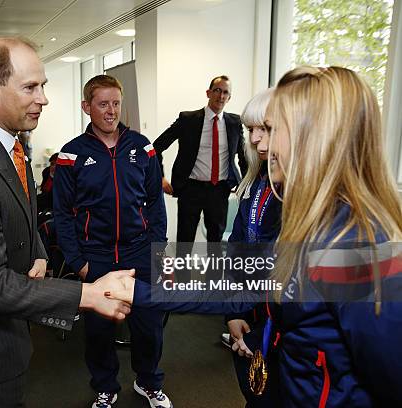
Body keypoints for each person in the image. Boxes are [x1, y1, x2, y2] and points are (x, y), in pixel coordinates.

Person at [108, 66, 402, 407]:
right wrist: (140, 284)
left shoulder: (354, 245)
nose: (261, 142)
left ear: (318, 138)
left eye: (274, 128)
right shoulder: (310, 219)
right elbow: (246, 278)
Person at [0, 37, 133, 407]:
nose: (43, 98)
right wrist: (90, 295)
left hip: (9, 327)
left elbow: (24, 210)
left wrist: (38, 253)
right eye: (30, 87)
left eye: (44, 86)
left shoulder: (10, 146)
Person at [54, 75, 170, 408]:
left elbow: (155, 202)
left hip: (139, 253)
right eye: (102, 104)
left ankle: (149, 382)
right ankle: (106, 387)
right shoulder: (71, 155)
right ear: (86, 107)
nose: (111, 111)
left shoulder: (142, 147)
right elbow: (63, 213)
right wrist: (79, 262)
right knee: (99, 333)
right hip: (98, 257)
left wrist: (156, 247)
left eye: (116, 103)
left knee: (149, 328)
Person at [224, 88, 282, 408]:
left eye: (267, 129)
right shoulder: (255, 182)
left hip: (277, 326)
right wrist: (233, 312)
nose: (257, 141)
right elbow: (236, 249)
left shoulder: (298, 193)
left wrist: (262, 333)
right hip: (249, 313)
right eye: (251, 131)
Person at [153, 75, 247, 244]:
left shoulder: (235, 122)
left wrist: (247, 186)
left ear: (229, 97)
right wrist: (160, 177)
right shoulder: (188, 120)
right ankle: (183, 272)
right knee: (185, 242)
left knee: (215, 244)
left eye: (226, 92)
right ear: (208, 93)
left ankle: (214, 272)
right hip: (191, 190)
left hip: (220, 191)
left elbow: (243, 157)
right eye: (217, 90)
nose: (221, 96)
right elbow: (157, 146)